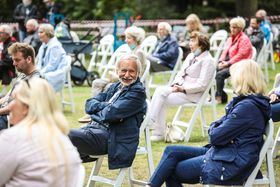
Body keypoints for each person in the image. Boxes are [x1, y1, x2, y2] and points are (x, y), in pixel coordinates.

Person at [145, 59, 270, 187]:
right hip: (226, 153)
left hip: (231, 161)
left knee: (170, 170)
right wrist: (216, 127)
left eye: (234, 77)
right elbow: (218, 129)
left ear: (242, 79)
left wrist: (215, 127)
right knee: (171, 151)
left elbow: (216, 136)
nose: (231, 81)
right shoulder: (247, 103)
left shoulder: (247, 107)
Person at [69, 54, 147, 169]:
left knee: (63, 134)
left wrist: (95, 114)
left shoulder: (138, 93)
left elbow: (109, 114)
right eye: (123, 70)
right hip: (94, 130)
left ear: (138, 73)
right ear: (117, 71)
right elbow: (89, 104)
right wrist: (106, 105)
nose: (127, 75)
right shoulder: (115, 87)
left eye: (131, 71)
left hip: (112, 139)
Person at [0, 78, 82, 186]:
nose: (9, 106)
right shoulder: (64, 141)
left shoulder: (13, 139)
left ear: (26, 107)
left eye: (14, 99)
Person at [149, 31, 215, 141]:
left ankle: (150, 122)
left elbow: (202, 85)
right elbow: (180, 73)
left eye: (193, 41)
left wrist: (183, 89)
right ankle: (158, 132)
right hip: (180, 89)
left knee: (160, 93)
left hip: (195, 94)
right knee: (160, 96)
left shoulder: (208, 60)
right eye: (190, 40)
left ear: (202, 45)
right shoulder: (190, 56)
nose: (190, 43)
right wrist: (176, 84)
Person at [78, 26, 146, 123]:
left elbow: (137, 75)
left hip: (128, 83)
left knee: (108, 86)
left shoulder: (139, 53)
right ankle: (94, 112)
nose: (126, 40)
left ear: (135, 39)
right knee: (97, 82)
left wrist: (116, 77)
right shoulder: (132, 51)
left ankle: (96, 114)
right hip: (120, 81)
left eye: (128, 38)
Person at [0, 42, 42, 130]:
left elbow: (20, 106)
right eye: (13, 60)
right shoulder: (23, 74)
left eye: (17, 60)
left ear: (29, 59)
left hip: (12, 120)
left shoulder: (36, 80)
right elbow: (8, 97)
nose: (14, 63)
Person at [215, 16, 253, 104]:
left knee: (220, 75)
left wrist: (227, 63)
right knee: (211, 71)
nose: (232, 29)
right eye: (231, 26)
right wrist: (221, 62)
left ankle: (219, 97)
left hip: (240, 65)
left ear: (240, 28)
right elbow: (224, 52)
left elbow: (241, 55)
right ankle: (223, 96)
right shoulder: (230, 38)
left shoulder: (244, 39)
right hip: (229, 64)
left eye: (234, 27)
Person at [37, 23, 67, 92]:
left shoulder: (55, 46)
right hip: (44, 73)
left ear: (48, 33)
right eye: (38, 32)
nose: (39, 34)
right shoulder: (43, 46)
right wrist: (36, 71)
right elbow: (39, 62)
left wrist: (40, 72)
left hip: (54, 74)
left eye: (41, 32)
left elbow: (52, 65)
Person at [0, 24, 17, 96]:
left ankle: (5, 92)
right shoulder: (4, 42)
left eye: (0, 33)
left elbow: (9, 61)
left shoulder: (12, 43)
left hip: (11, 71)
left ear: (7, 34)